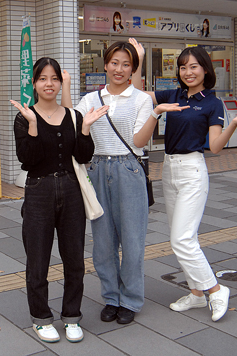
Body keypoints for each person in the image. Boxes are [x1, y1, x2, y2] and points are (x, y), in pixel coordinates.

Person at [130, 38, 237, 322]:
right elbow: (138, 93)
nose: (188, 72)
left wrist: (233, 124)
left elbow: (215, 147)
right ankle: (196, 294)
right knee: (181, 238)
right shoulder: (174, 95)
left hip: (193, 171)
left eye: (193, 67)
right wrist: (139, 60)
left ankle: (215, 289)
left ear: (205, 69)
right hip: (169, 169)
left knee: (182, 239)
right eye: (183, 67)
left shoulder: (212, 103)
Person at [11, 57, 108, 344]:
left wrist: (85, 128)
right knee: (38, 260)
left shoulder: (73, 116)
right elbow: (28, 160)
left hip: (71, 190)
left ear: (60, 82)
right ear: (34, 83)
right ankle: (41, 318)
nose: (49, 84)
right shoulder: (24, 117)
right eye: (43, 78)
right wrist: (32, 126)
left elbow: (83, 156)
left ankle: (72, 316)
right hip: (39, 191)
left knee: (74, 259)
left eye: (54, 78)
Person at [62, 41, 153, 325]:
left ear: (133, 69)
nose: (119, 69)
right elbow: (70, 120)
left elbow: (139, 141)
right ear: (105, 65)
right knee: (102, 244)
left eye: (126, 64)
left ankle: (131, 300)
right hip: (98, 168)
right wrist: (66, 85)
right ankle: (111, 297)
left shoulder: (141, 99)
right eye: (114, 62)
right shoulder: (91, 98)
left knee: (132, 241)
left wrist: (156, 113)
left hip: (128, 169)